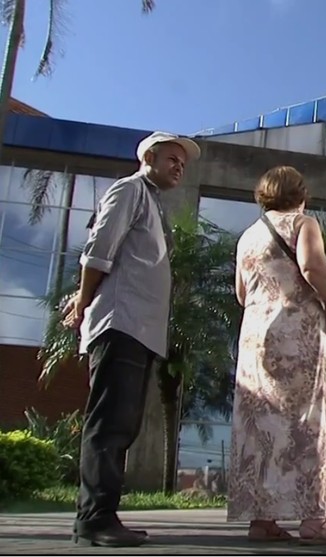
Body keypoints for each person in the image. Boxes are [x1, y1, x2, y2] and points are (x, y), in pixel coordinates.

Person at [63, 132, 200, 547]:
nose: (179, 166)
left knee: (122, 425)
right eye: (173, 159)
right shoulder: (129, 190)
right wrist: (83, 301)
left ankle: (104, 513)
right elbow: (99, 248)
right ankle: (94, 518)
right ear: (150, 157)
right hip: (120, 323)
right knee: (109, 424)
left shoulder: (152, 203)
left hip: (140, 330)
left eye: (183, 163)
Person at [226, 166, 326, 545]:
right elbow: (312, 266)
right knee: (306, 421)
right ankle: (314, 519)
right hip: (295, 335)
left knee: (260, 425)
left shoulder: (248, 236)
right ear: (301, 193)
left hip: (254, 337)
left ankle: (261, 519)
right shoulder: (303, 224)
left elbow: (241, 293)